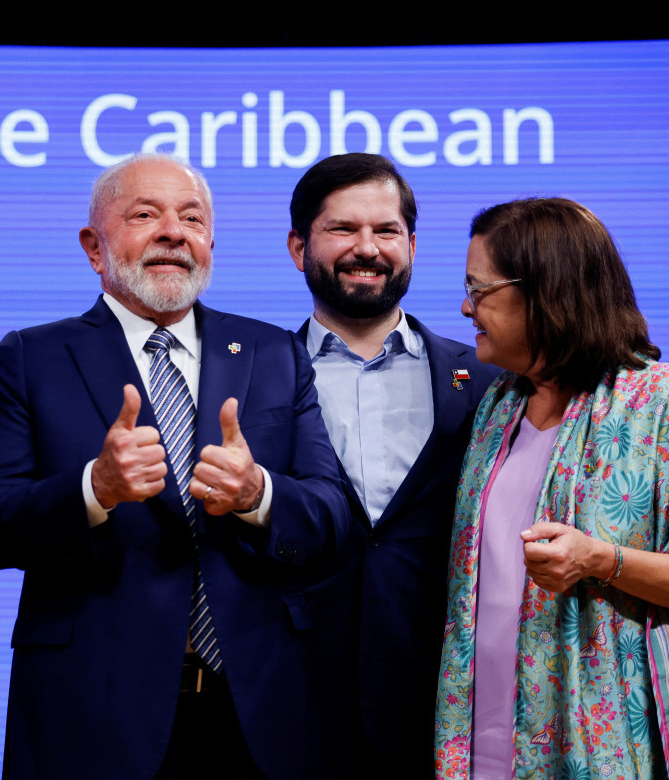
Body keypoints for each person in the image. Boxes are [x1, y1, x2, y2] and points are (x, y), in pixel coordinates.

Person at [0, 153, 351, 779]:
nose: (174, 231)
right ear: (94, 246)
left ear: (211, 244)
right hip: (91, 708)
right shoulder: (31, 357)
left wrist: (258, 495)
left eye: (191, 218)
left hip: (257, 712)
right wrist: (94, 489)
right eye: (146, 214)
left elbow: (332, 517)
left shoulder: (274, 351)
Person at [435, 198, 669, 779]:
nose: (465, 307)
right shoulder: (496, 408)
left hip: (596, 748)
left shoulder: (663, 404)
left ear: (545, 292)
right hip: (482, 741)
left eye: (479, 290)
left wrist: (600, 560)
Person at [285, 153, 498, 777]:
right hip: (292, 689)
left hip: (443, 691)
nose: (367, 248)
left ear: (411, 245)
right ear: (299, 247)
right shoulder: (254, 374)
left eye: (386, 231)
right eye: (343, 230)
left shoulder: (487, 378)